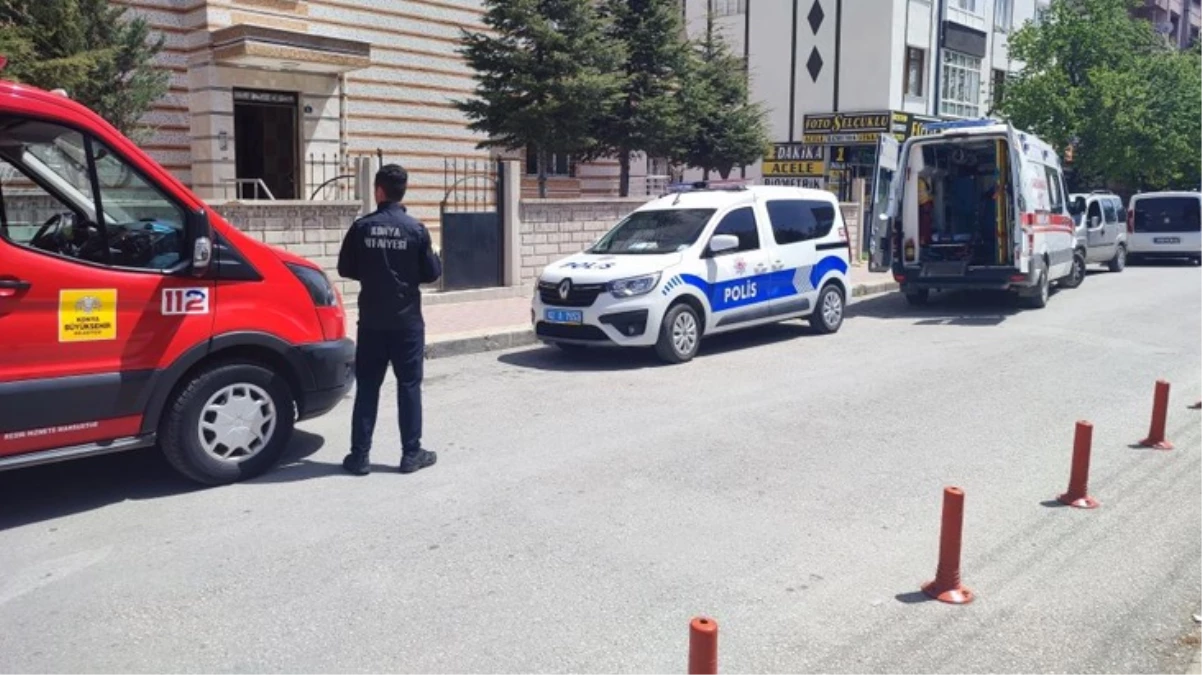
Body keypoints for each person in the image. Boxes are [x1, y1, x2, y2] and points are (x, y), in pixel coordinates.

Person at [337, 164, 442, 476]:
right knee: (409, 385)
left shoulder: (362, 227)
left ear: (378, 191)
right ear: (403, 191)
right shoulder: (416, 229)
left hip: (371, 321)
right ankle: (411, 454)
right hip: (407, 322)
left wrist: (372, 273)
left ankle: (359, 456)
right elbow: (432, 274)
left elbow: (345, 268)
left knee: (367, 387)